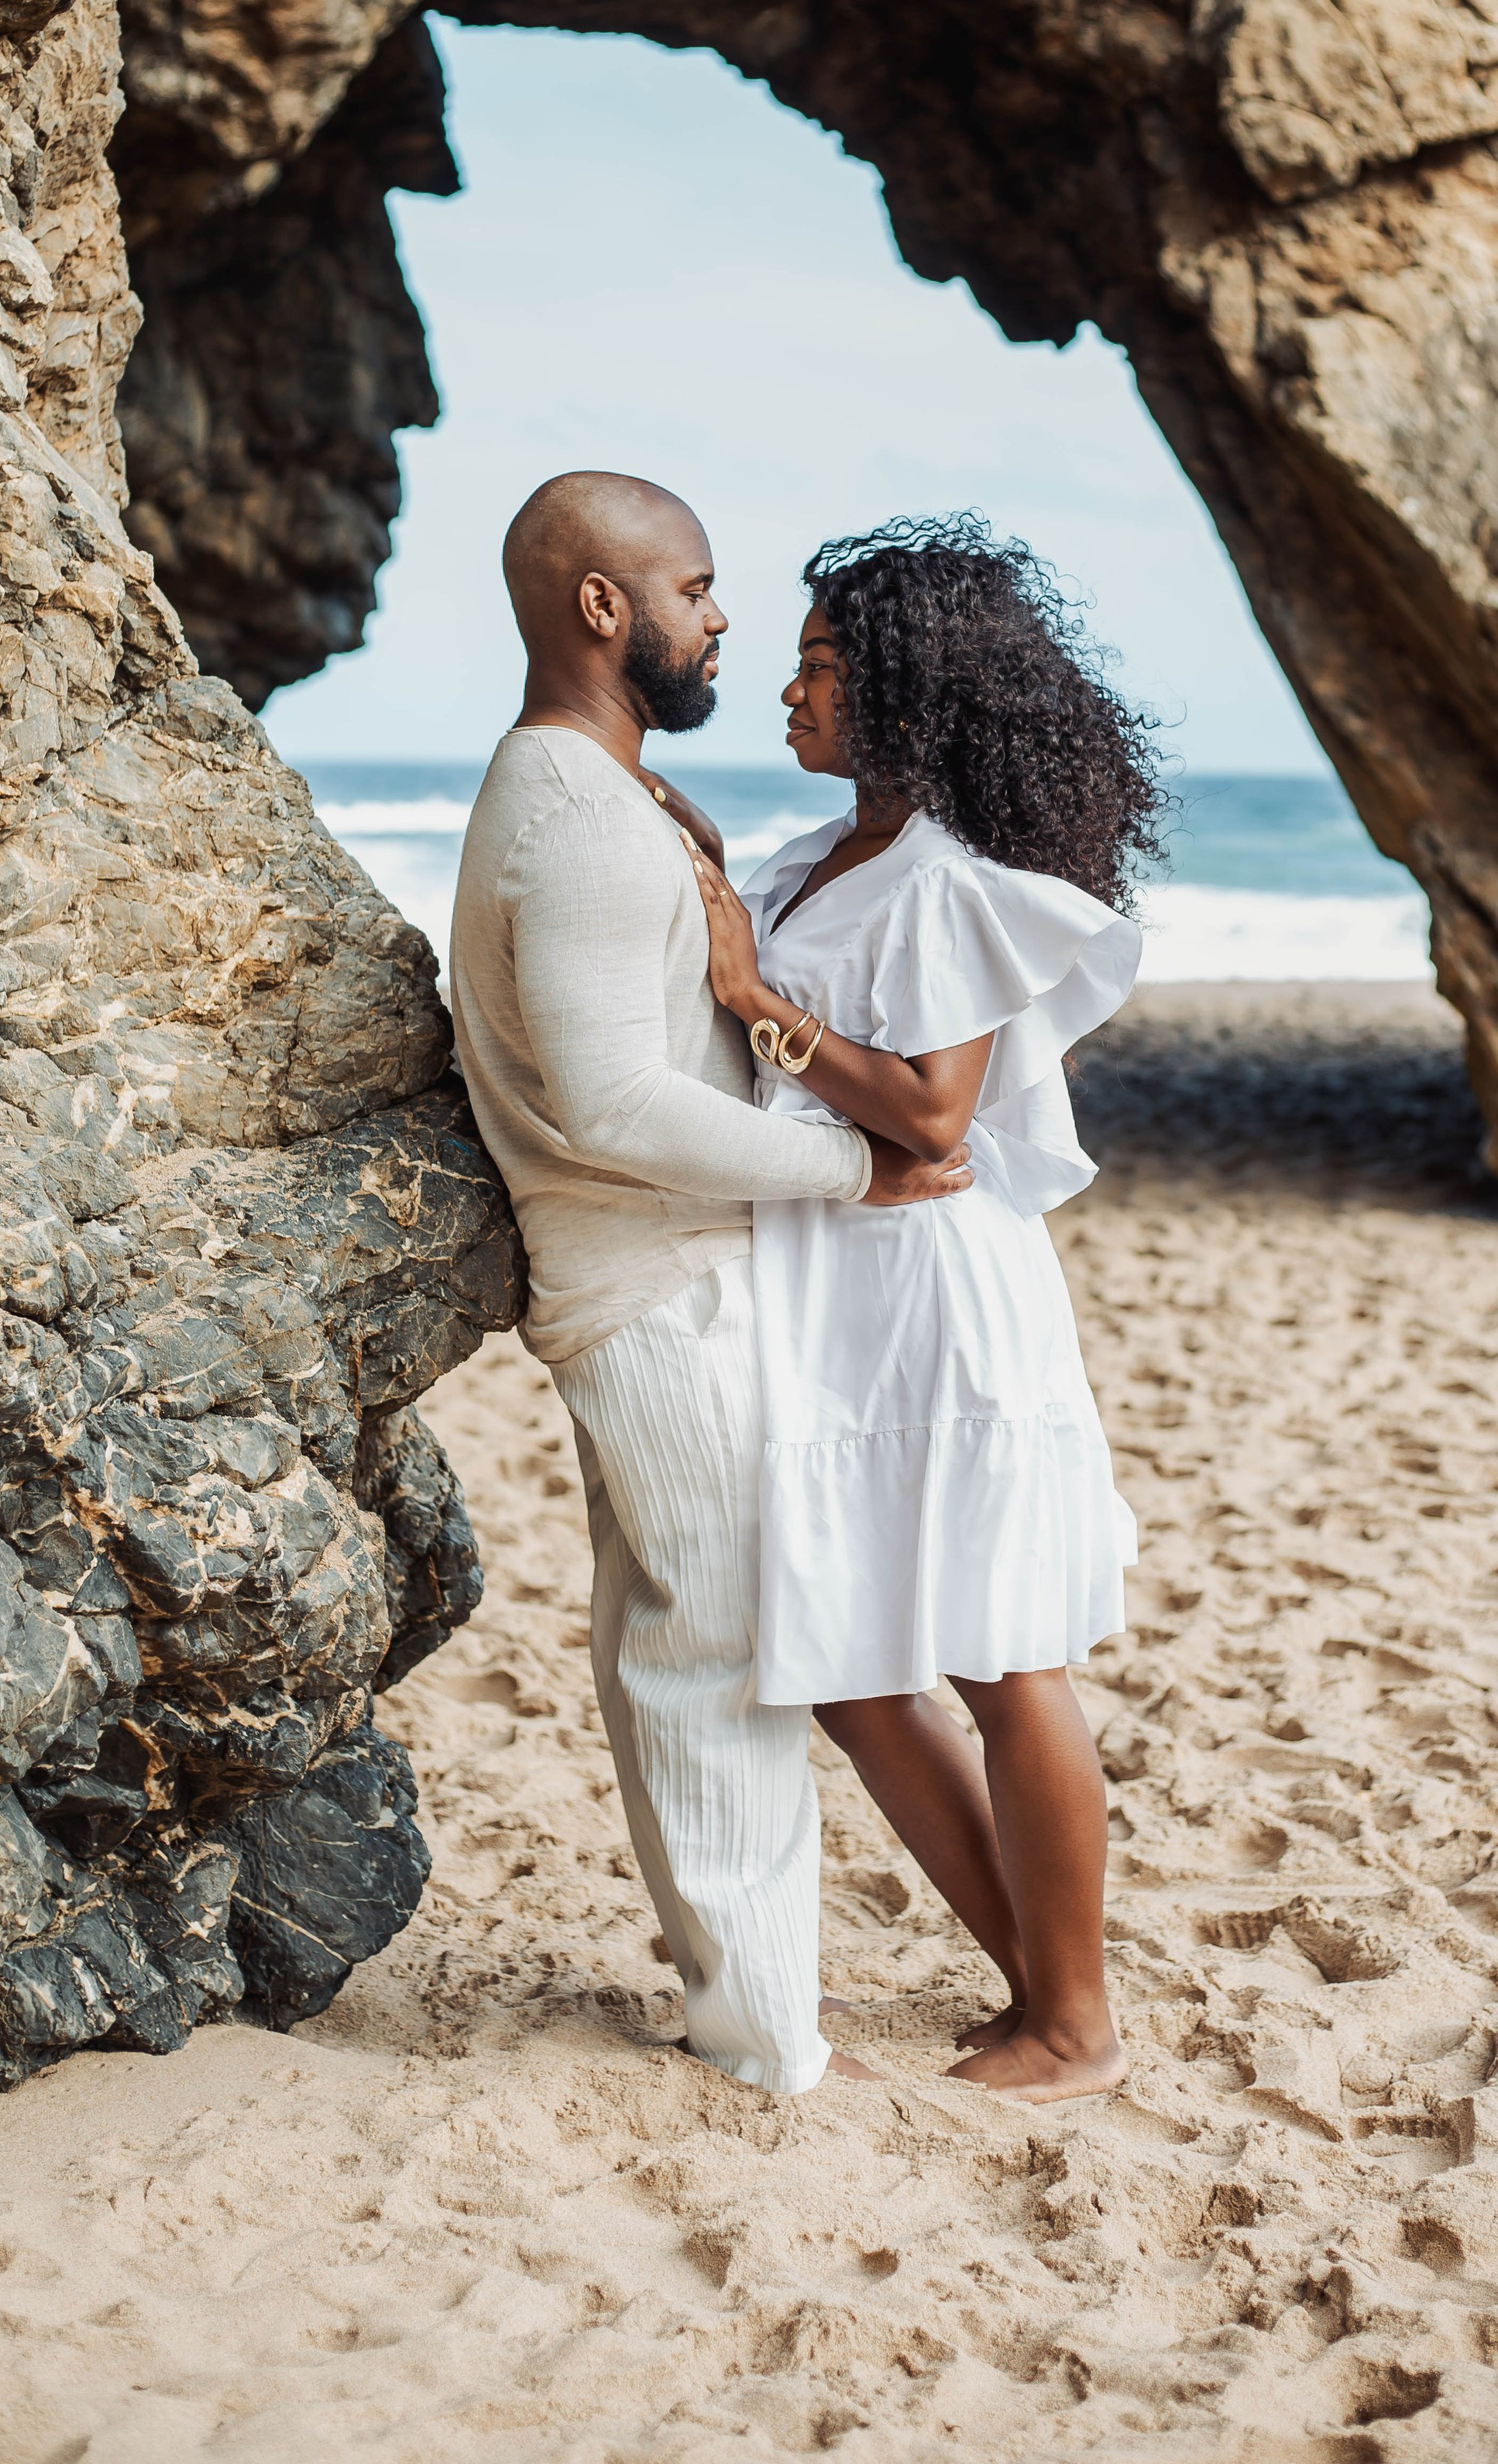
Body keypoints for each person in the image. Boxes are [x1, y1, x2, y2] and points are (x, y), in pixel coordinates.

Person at [448, 470, 974, 2098]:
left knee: (680, 1645)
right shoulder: (581, 816)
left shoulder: (591, 795)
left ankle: (735, 2007)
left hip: (658, 1280)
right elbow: (610, 1104)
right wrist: (855, 1168)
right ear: (601, 609)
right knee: (722, 1657)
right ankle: (762, 2043)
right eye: (693, 588)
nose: (719, 618)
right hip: (649, 1294)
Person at [679, 515, 1162, 2102]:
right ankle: (1035, 1984)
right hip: (829, 1289)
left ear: (903, 691)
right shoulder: (812, 861)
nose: (788, 695)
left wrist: (761, 1006)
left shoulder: (947, 879)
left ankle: (1073, 2019)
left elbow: (935, 1117)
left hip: (935, 1298)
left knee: (999, 1652)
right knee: (847, 1667)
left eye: (821, 669)